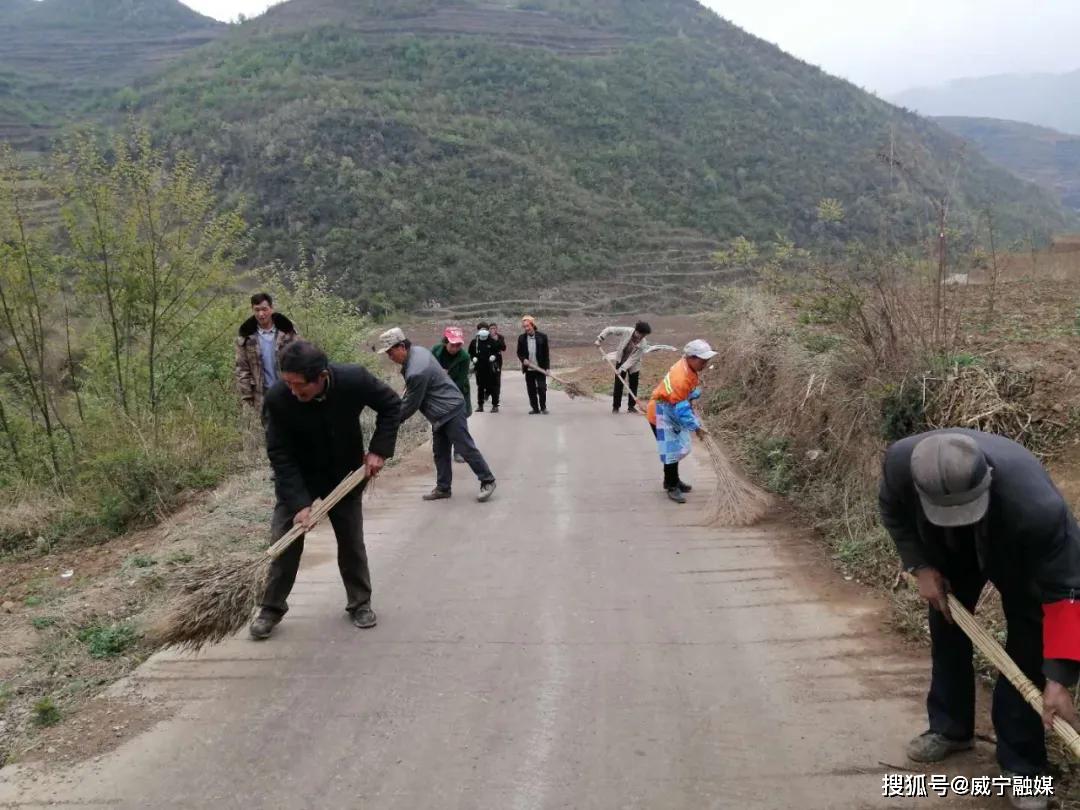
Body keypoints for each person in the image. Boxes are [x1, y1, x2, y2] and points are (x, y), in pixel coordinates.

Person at [879, 429, 1080, 810]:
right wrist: (920, 565)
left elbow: (1066, 592)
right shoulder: (901, 465)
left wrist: (1059, 676)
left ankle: (1023, 769)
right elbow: (893, 512)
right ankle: (951, 728)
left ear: (987, 478)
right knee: (947, 625)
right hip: (944, 548)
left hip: (1014, 548)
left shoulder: (1037, 508)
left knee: (1027, 652)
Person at [249, 340, 402, 640]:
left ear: (321, 376)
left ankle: (360, 603)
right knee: (284, 543)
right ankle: (270, 608)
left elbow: (391, 405)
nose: (293, 391)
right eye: (288, 383)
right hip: (299, 479)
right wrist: (298, 503)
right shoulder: (278, 399)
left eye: (300, 385)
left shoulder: (354, 379)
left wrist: (379, 450)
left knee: (351, 541)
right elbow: (279, 453)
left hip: (343, 474)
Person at [378, 327, 496, 502]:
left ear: (402, 346)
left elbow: (411, 403)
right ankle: (443, 487)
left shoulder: (416, 370)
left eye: (391, 352)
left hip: (451, 409)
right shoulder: (418, 352)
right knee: (440, 451)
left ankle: (488, 480)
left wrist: (392, 420)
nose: (390, 357)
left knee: (465, 447)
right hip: (439, 413)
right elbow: (411, 393)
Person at [646, 340, 716, 503]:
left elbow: (684, 396)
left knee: (678, 447)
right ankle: (671, 486)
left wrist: (693, 394)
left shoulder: (688, 366)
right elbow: (682, 408)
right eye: (702, 360)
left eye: (707, 360)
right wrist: (696, 427)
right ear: (691, 357)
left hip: (670, 409)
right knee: (672, 450)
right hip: (661, 412)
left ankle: (673, 480)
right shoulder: (681, 376)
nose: (706, 363)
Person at [234, 292, 300, 414]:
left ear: (271, 309)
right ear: (252, 310)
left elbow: (300, 360)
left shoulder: (287, 331)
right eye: (257, 310)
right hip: (261, 395)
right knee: (266, 430)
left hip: (288, 391)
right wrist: (247, 398)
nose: (261, 314)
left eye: (264, 309)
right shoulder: (246, 336)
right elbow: (242, 369)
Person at [595, 320, 675, 413]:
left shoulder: (643, 343)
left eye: (644, 335)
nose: (642, 337)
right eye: (641, 334)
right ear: (636, 331)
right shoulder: (627, 331)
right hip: (621, 359)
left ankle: (631, 407)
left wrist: (622, 369)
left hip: (634, 363)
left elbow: (633, 359)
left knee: (633, 384)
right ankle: (616, 407)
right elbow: (609, 330)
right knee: (618, 384)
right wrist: (600, 339)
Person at [432, 326, 472, 463]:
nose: (455, 348)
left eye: (458, 345)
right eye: (452, 344)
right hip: (438, 392)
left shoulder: (464, 357)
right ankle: (441, 451)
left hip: (458, 392)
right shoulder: (436, 351)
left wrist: (446, 378)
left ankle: (459, 452)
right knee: (440, 422)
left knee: (459, 423)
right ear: (445, 342)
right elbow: (429, 368)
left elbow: (461, 380)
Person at [516, 315, 551, 415]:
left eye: (528, 326)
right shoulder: (521, 338)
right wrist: (523, 360)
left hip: (540, 368)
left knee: (542, 388)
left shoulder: (542, 337)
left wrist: (547, 368)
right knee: (531, 389)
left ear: (533, 325)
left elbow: (546, 354)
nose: (526, 328)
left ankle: (543, 407)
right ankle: (535, 408)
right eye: (525, 327)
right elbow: (519, 352)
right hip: (529, 369)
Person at [469, 322, 506, 413]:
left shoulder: (492, 341)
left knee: (493, 386)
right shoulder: (474, 342)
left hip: (490, 368)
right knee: (480, 387)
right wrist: (473, 358)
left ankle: (495, 406)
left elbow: (498, 351)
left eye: (485, 330)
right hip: (480, 368)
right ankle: (480, 405)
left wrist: (494, 356)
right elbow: (470, 352)